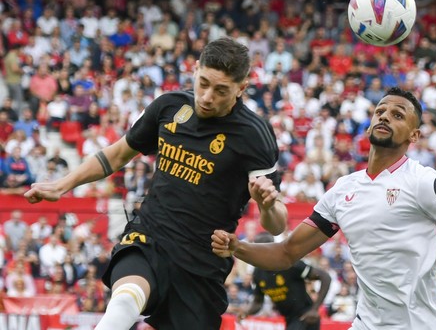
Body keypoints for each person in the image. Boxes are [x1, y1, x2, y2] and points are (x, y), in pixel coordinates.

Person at [24, 37, 288, 330]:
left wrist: (267, 205)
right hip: (150, 236)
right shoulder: (169, 106)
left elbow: (277, 224)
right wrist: (62, 184)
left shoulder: (255, 136)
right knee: (124, 301)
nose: (207, 97)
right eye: (203, 83)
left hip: (201, 264)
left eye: (221, 90)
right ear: (196, 68)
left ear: (242, 88)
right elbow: (117, 155)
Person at [212, 87, 436, 330]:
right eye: (381, 111)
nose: (385, 116)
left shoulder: (423, 181)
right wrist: (237, 248)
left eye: (398, 115)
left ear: (414, 135)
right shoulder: (343, 190)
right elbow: (286, 252)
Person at [241, 232, 331, 330]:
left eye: (265, 248)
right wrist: (246, 312)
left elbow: (325, 277)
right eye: (257, 249)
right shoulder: (258, 272)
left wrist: (314, 309)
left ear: (272, 247)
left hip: (305, 316)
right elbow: (258, 302)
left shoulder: (288, 264)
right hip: (290, 319)